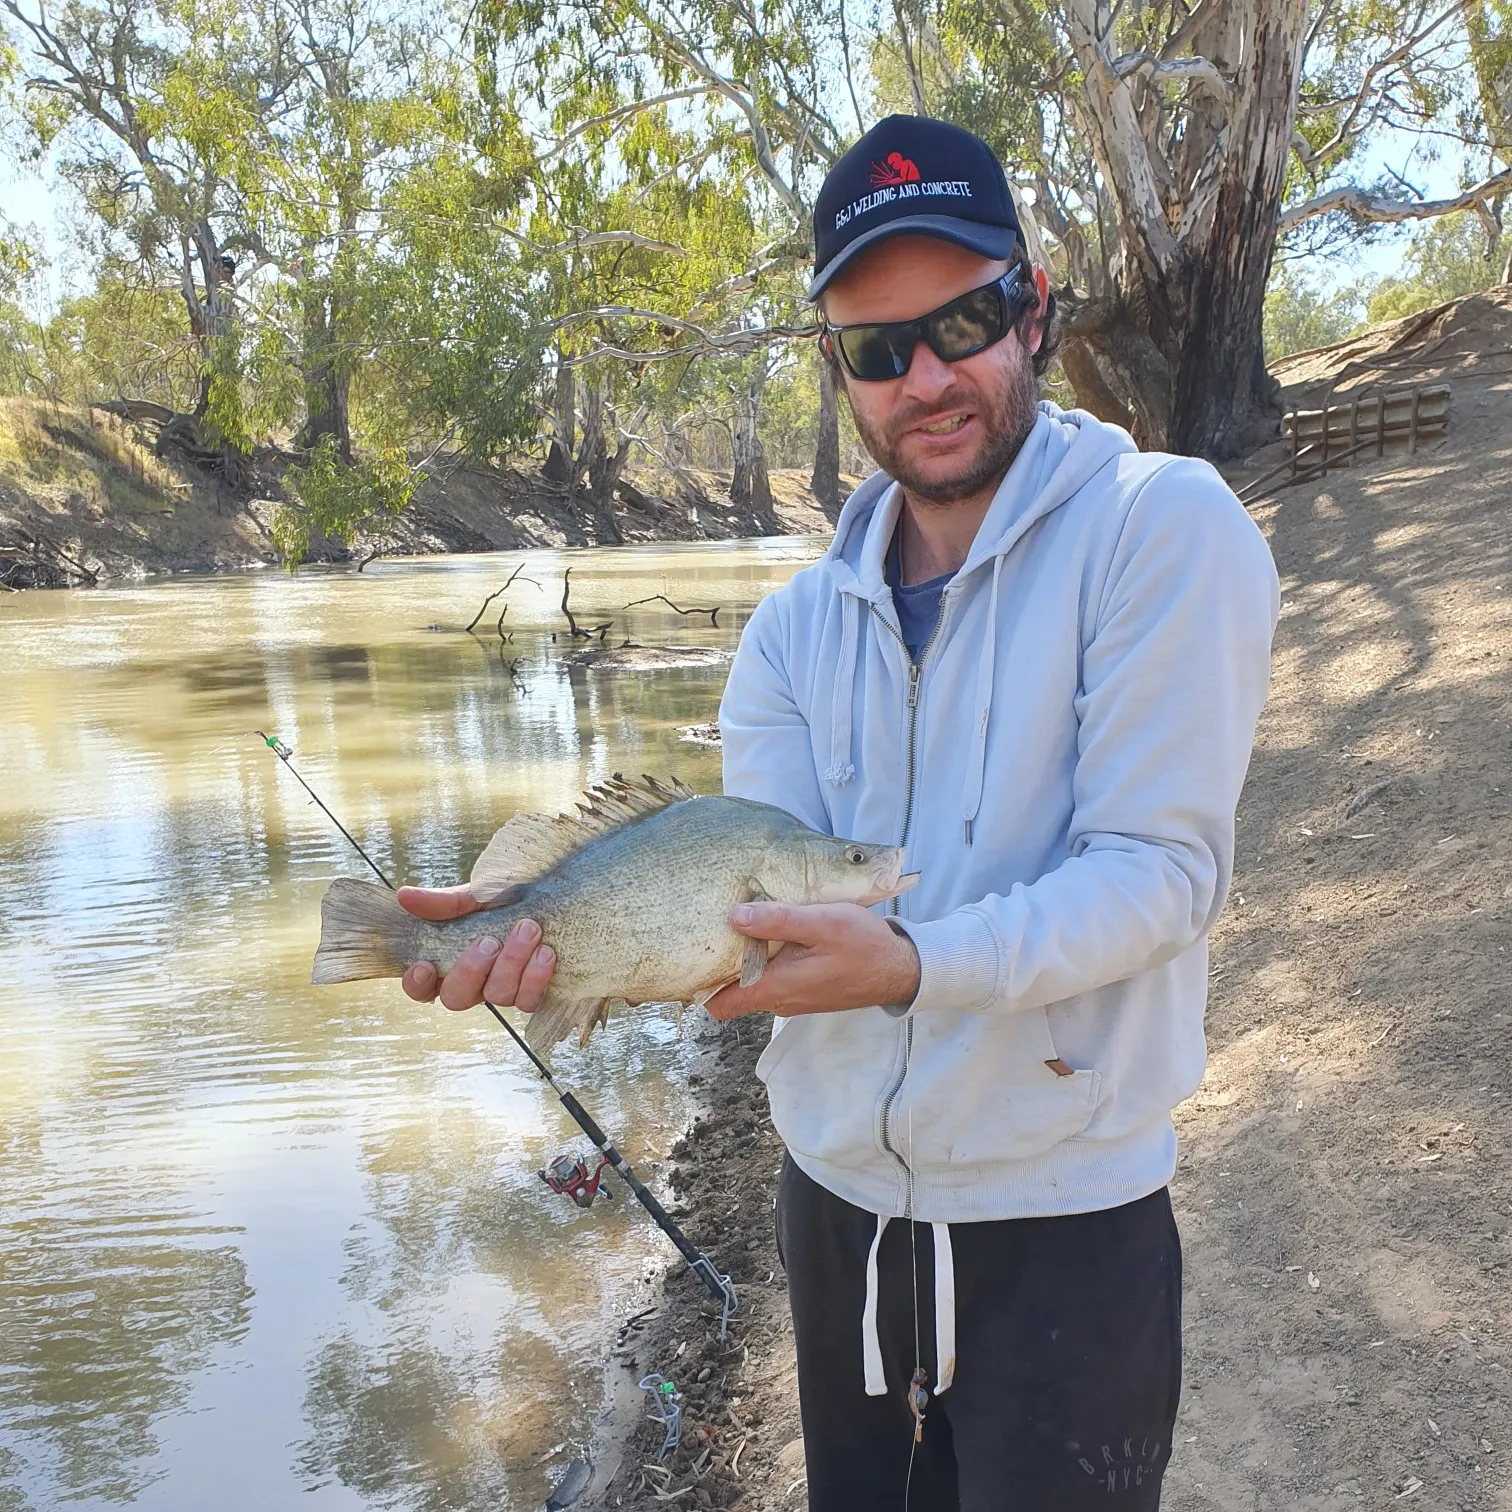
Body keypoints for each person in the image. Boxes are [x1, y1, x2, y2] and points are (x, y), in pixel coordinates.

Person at [398, 115, 1279, 1512]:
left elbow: (1163, 873)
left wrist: (923, 964)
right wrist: (575, 958)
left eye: (963, 322)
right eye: (877, 348)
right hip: (836, 1208)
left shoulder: (1162, 530)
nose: (923, 377)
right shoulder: (792, 632)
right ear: (836, 369)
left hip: (1064, 1221)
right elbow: (748, 902)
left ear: (1033, 310)